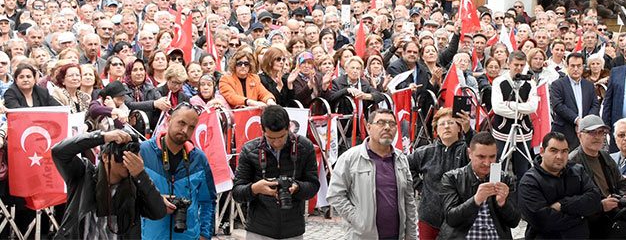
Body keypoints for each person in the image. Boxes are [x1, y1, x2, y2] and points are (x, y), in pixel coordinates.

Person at [51, 128, 167, 239]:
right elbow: (59, 152)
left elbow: (159, 212)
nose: (126, 161)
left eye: (132, 155)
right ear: (105, 157)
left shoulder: (136, 185)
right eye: (122, 156)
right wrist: (102, 137)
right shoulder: (83, 175)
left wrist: (140, 174)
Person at [327, 109, 418, 240]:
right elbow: (335, 194)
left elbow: (409, 200)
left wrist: (412, 236)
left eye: (392, 124)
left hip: (396, 236)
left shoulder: (401, 159)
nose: (387, 127)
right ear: (369, 127)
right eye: (381, 123)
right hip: (362, 236)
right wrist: (359, 220)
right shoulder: (350, 158)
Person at [232, 104, 319, 239]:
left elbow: (313, 186)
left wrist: (297, 187)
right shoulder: (249, 150)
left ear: (289, 128)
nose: (277, 143)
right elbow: (237, 192)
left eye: (282, 137)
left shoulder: (304, 147)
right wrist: (255, 188)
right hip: (259, 230)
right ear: (263, 131)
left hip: (293, 229)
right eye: (271, 138)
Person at [140, 103, 217, 239]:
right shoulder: (144, 152)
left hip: (187, 235)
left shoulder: (198, 158)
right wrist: (155, 200)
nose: (185, 130)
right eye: (181, 123)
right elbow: (129, 195)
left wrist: (205, 234)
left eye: (191, 127)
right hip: (150, 236)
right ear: (169, 120)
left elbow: (208, 201)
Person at [517, 131, 607, 239]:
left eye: (564, 151)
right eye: (554, 151)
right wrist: (582, 216)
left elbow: (594, 199)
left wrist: (563, 205)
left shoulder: (577, 171)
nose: (559, 156)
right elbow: (542, 221)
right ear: (542, 151)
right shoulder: (530, 182)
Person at [437, 131, 520, 239]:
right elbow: (451, 219)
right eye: (481, 157)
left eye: (492, 157)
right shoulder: (452, 178)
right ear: (469, 153)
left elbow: (514, 222)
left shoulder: (504, 179)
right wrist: (475, 200)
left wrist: (502, 204)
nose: (487, 162)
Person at [407, 107, 471, 239]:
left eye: (451, 123)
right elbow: (405, 166)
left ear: (459, 128)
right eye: (442, 124)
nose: (446, 126)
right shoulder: (425, 152)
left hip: (459, 217)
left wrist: (469, 131)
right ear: (436, 131)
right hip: (429, 217)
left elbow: (479, 150)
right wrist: (420, 186)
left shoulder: (466, 150)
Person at [566, 115, 626, 238]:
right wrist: (600, 205)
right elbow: (571, 201)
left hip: (610, 218)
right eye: (592, 133)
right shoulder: (572, 163)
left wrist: (621, 197)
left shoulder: (605, 156)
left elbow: (620, 182)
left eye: (601, 133)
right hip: (588, 225)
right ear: (579, 135)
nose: (598, 137)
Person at [490, 51, 539, 178]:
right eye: (516, 64)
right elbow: (497, 107)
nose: (519, 68)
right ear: (509, 64)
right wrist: (519, 113)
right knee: (498, 162)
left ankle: (524, 192)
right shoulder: (499, 81)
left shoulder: (530, 83)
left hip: (524, 130)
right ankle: (494, 191)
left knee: (523, 166)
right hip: (502, 130)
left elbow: (533, 107)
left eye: (522, 65)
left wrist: (510, 105)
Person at [549, 52, 600, 150]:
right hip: (564, 131)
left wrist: (585, 122)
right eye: (572, 66)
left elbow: (595, 105)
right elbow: (558, 106)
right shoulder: (557, 85)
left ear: (583, 67)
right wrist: (577, 120)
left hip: (586, 131)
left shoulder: (589, 85)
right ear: (566, 66)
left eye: (579, 66)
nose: (576, 69)